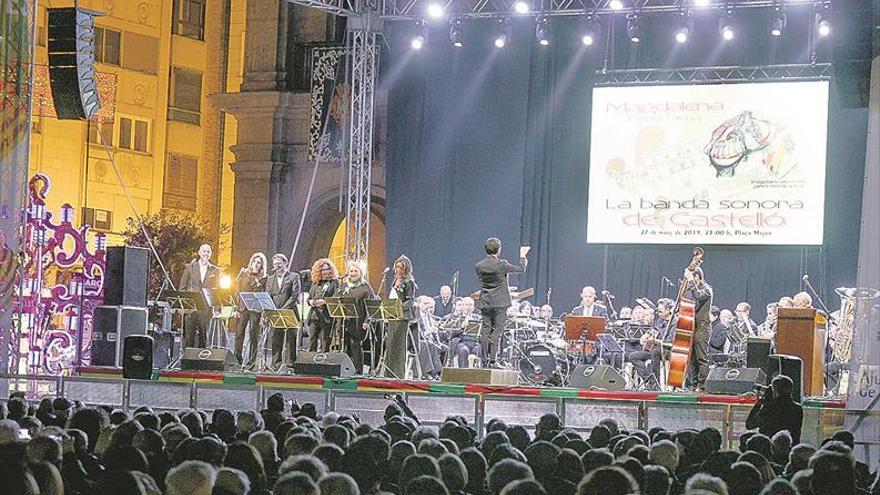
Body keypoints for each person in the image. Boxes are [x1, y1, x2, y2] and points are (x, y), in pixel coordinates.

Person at [475, 238, 529, 367]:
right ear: (499, 249)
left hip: (485, 302)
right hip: (500, 303)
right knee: (497, 331)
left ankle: (484, 360)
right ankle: (493, 361)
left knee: (486, 330)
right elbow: (521, 269)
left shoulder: (479, 265)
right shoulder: (502, 264)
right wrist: (522, 255)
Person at [179, 244, 221, 349]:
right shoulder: (190, 267)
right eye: (204, 251)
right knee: (189, 336)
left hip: (206, 308)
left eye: (208, 252)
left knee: (203, 337)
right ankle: (187, 360)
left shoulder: (215, 270)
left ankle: (201, 361)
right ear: (199, 252)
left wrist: (217, 308)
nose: (206, 254)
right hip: (191, 307)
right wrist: (182, 305)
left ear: (210, 254)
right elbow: (182, 287)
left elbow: (218, 292)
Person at [336, 261, 375, 375]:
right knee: (344, 344)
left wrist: (367, 321)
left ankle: (357, 371)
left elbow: (371, 305)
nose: (353, 273)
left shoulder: (365, 287)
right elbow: (335, 300)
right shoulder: (343, 286)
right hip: (344, 322)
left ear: (361, 273)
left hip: (358, 321)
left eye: (355, 271)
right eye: (351, 271)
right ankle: (344, 369)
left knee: (355, 346)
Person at [628, 299, 676, 389]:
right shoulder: (659, 320)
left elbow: (669, 342)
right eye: (657, 311)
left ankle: (656, 384)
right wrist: (645, 336)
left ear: (668, 310)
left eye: (660, 311)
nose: (658, 313)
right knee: (633, 356)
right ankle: (650, 380)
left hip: (668, 350)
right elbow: (653, 330)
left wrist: (655, 341)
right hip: (655, 349)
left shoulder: (675, 322)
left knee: (655, 352)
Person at [266, 254, 301, 369]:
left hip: (289, 311)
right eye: (275, 264)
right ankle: (276, 364)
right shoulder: (270, 279)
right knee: (276, 337)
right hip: (275, 312)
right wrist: (271, 310)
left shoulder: (293, 276)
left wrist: (284, 308)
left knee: (291, 338)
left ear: (285, 263)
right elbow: (268, 295)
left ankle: (290, 364)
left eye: (279, 263)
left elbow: (294, 295)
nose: (277, 266)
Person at [745, 374, 804, 443]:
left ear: (775, 391)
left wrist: (758, 405)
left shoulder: (769, 408)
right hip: (790, 448)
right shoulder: (798, 408)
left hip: (771, 449)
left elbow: (750, 424)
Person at [234, 252, 268, 368]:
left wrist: (255, 277)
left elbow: (263, 293)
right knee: (239, 334)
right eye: (254, 261)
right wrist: (237, 307)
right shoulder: (244, 274)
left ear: (262, 265)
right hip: (243, 308)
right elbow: (238, 290)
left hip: (255, 310)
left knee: (254, 334)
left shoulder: (264, 279)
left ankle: (251, 363)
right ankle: (237, 360)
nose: (255, 264)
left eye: (258, 262)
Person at [386, 255, 418, 379]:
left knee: (398, 345)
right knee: (390, 344)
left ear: (406, 269)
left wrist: (400, 308)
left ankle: (398, 373)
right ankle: (388, 372)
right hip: (392, 315)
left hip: (402, 316)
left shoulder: (408, 282)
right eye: (397, 267)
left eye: (401, 267)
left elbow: (410, 301)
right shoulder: (395, 280)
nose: (398, 270)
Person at [684, 266, 713, 391]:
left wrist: (690, 280)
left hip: (702, 327)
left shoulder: (707, 289)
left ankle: (702, 385)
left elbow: (698, 295)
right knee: (691, 358)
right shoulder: (691, 290)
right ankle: (692, 384)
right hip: (691, 326)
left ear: (697, 277)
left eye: (692, 278)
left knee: (701, 357)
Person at [307, 259, 340, 352]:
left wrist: (324, 301)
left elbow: (336, 298)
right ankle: (310, 363)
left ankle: (323, 362)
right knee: (312, 340)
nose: (325, 272)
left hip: (327, 316)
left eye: (327, 269)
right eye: (322, 270)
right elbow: (309, 298)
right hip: (314, 316)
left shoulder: (335, 283)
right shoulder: (316, 283)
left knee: (325, 342)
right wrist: (312, 302)